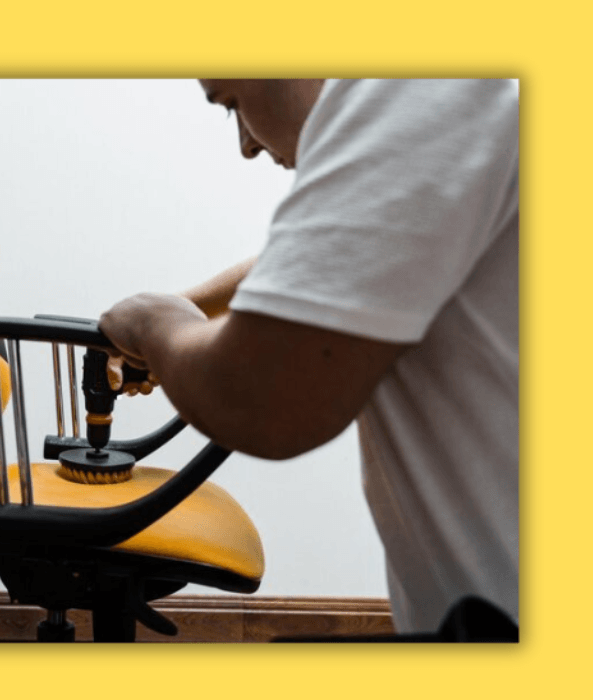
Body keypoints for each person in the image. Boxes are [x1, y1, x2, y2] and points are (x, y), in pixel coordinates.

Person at [99, 79, 519, 635]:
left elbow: (257, 400)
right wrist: (188, 304)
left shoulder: (414, 85)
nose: (246, 144)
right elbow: (333, 257)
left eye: (230, 104)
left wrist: (152, 323)